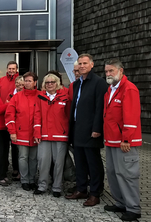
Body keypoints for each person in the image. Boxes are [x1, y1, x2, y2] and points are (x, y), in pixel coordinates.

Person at [65, 54, 108, 207]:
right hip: (77, 128)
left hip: (91, 130)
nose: (82, 66)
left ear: (92, 65)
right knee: (80, 161)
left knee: (93, 163)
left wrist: (97, 128)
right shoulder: (77, 84)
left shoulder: (99, 83)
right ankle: (81, 189)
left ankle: (95, 193)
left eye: (85, 63)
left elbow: (100, 108)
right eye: (80, 64)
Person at [103, 58, 142, 221]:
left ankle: (133, 207)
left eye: (111, 71)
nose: (108, 74)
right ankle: (120, 202)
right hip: (111, 140)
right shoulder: (110, 90)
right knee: (113, 173)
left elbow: (131, 117)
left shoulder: (129, 89)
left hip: (124, 142)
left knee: (127, 174)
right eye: (106, 71)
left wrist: (126, 138)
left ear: (121, 70)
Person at [33, 73, 70, 197]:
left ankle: (57, 187)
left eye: (52, 82)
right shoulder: (40, 97)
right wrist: (37, 132)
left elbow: (69, 116)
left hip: (60, 135)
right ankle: (42, 185)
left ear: (57, 83)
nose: (50, 84)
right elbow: (37, 116)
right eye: (47, 82)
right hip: (44, 135)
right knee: (43, 161)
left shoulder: (65, 96)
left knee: (58, 163)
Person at [5, 72, 39, 191]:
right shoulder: (17, 96)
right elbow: (9, 115)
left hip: (35, 133)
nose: (27, 83)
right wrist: (12, 132)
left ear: (35, 82)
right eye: (26, 80)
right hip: (21, 132)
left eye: (30, 81)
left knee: (34, 158)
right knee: (23, 157)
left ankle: (32, 179)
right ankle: (24, 180)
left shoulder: (40, 95)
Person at [6, 75, 24, 181]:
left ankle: (22, 172)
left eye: (21, 84)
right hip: (12, 125)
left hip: (22, 126)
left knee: (22, 151)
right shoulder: (11, 94)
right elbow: (6, 107)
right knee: (14, 149)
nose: (19, 86)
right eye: (17, 83)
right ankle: (15, 169)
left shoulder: (25, 95)